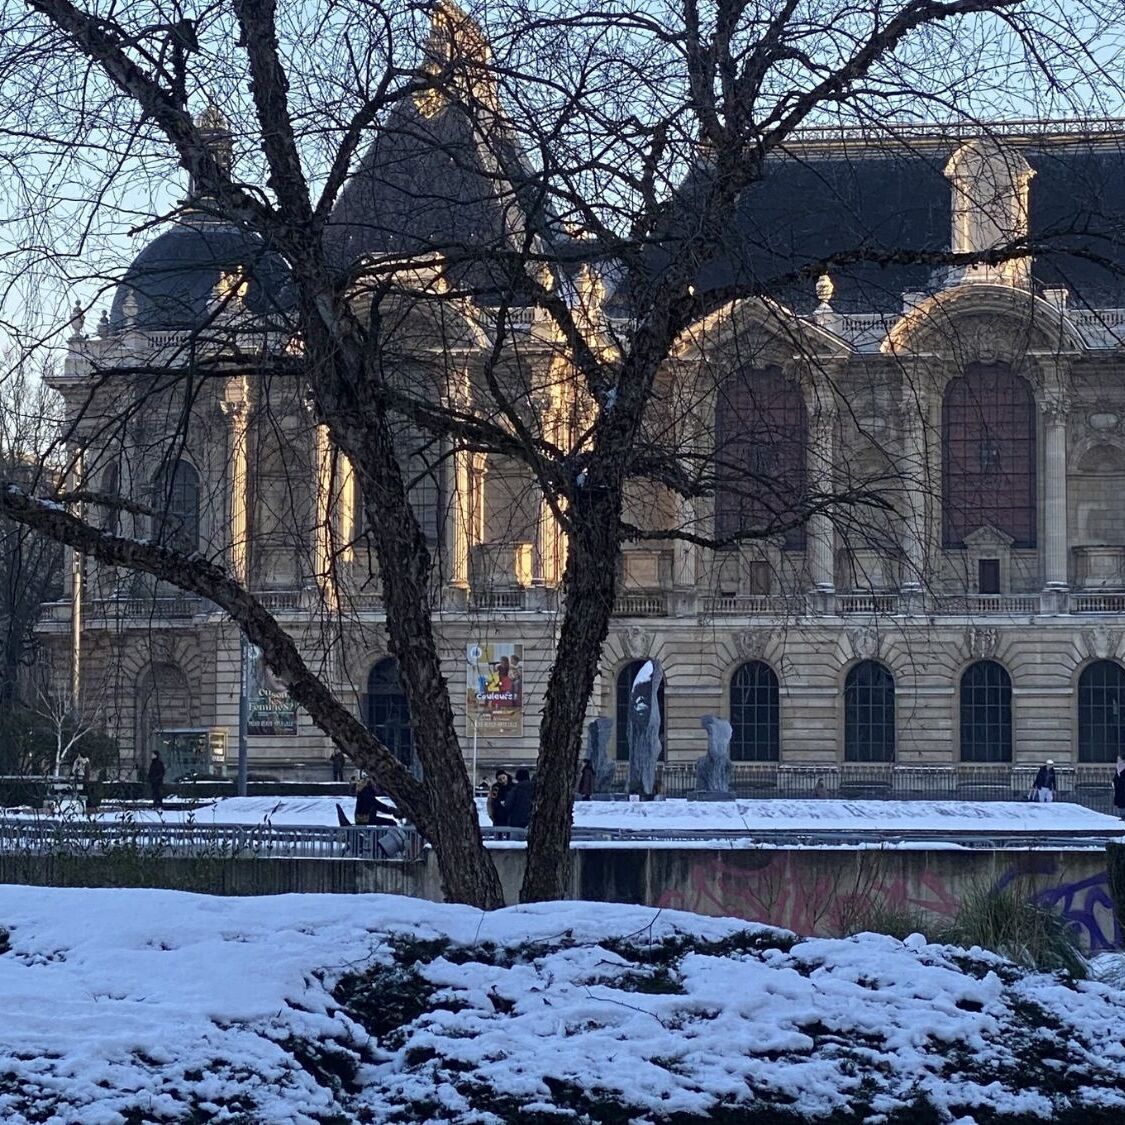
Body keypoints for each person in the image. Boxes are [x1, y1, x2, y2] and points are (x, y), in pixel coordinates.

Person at [1113, 755, 1125, 819]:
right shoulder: (1118, 767)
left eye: (1119, 759)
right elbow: (1116, 777)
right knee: (1121, 803)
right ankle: (1123, 816)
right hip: (1119, 788)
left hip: (1123, 787)